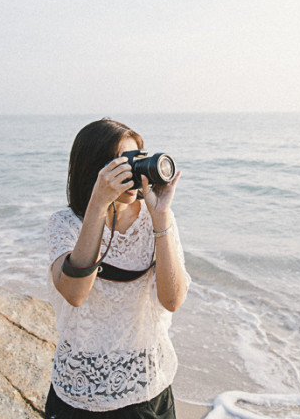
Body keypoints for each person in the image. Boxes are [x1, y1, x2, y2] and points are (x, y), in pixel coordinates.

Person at [45, 118, 190, 419]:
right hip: (78, 391)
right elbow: (75, 293)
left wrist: (161, 217)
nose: (135, 173)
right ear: (95, 170)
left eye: (138, 160)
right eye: (123, 164)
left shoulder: (156, 219)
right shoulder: (65, 224)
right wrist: (98, 204)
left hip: (146, 387)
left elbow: (172, 300)